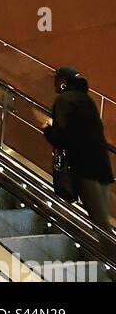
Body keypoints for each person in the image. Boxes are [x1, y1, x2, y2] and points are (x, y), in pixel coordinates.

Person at [43, 66, 113, 232]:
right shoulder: (87, 100)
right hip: (102, 167)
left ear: (64, 82)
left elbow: (62, 138)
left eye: (57, 79)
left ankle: (109, 255)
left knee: (101, 225)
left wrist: (47, 129)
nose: (54, 82)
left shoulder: (63, 100)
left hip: (84, 168)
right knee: (102, 221)